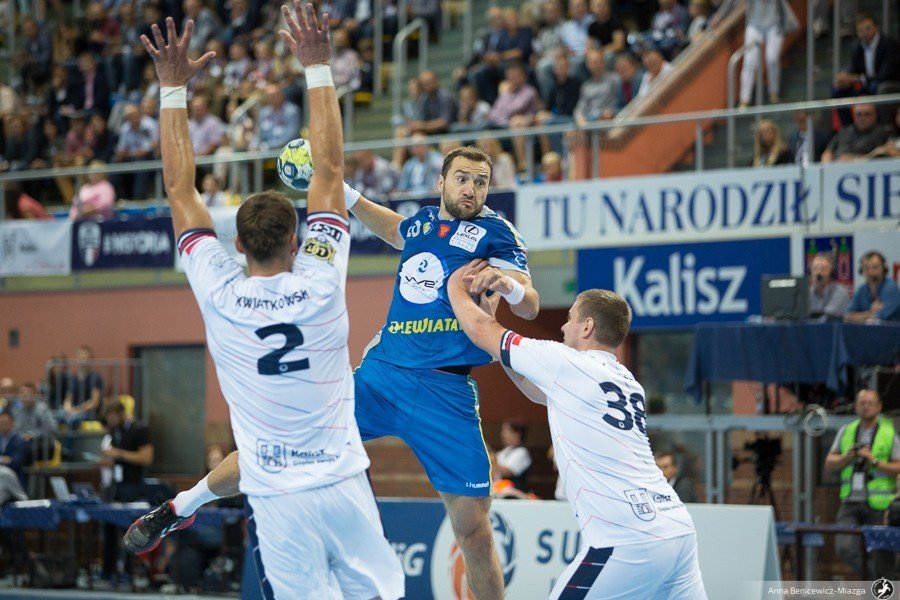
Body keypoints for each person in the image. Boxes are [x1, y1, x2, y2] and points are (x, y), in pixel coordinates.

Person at [126, 147, 539, 599]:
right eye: (462, 178)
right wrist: (339, 189)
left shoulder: (496, 232)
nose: (471, 189)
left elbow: (530, 304)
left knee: (475, 532)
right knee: (283, 444)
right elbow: (395, 230)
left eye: (481, 181)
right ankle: (180, 506)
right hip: (383, 377)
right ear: (441, 183)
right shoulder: (422, 223)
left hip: (448, 390)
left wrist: (508, 285)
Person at [125, 9, 405, 599]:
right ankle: (184, 504)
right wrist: (318, 67)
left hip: (276, 497)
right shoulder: (322, 279)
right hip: (341, 483)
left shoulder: (219, 293)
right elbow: (329, 170)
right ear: (298, 242)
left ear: (236, 246)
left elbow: (179, 189)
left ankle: (183, 504)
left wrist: (171, 88)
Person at [447, 275, 706, 598]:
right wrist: (498, 340)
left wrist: (454, 284)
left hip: (627, 538)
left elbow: (479, 331)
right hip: (677, 529)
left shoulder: (567, 363)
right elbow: (536, 391)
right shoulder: (626, 381)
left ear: (586, 327)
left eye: (569, 318)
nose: (563, 326)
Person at [824, 389, 900, 578]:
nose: (866, 407)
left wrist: (874, 461)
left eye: (870, 403)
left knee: (882, 556)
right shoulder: (847, 430)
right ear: (856, 407)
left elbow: (898, 467)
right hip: (850, 502)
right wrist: (847, 457)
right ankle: (878, 580)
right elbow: (829, 463)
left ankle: (884, 584)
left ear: (879, 406)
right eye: (862, 403)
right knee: (845, 548)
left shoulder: (889, 432)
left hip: (880, 506)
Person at [711, 0, 798, 106]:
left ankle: (773, 92)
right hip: (754, 24)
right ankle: (744, 99)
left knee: (772, 59)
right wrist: (720, 16)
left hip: (774, 22)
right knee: (749, 62)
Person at [844, 250, 900, 322]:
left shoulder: (891, 288)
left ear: (883, 268)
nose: (870, 272)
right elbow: (847, 316)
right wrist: (870, 312)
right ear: (862, 270)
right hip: (867, 329)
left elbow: (878, 317)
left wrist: (860, 316)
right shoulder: (861, 290)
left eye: (875, 267)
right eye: (866, 268)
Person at [61, 345, 105, 429]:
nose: (82, 360)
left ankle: (70, 438)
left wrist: (77, 410)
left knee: (72, 420)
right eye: (80, 357)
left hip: (90, 413)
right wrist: (68, 409)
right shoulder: (73, 378)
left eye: (85, 357)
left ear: (91, 359)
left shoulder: (96, 378)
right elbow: (68, 399)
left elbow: (94, 402)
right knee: (56, 416)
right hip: (73, 411)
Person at [808, 253, 851, 320]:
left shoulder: (840, 292)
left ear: (831, 273)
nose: (818, 272)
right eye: (815, 268)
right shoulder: (808, 293)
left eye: (823, 269)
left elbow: (828, 317)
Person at [493, 420, 532, 492]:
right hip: (499, 490)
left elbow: (507, 472)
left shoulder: (522, 452)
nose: (502, 435)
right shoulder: (504, 451)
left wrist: (490, 461)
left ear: (517, 434)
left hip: (514, 494)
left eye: (506, 431)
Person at [0, 411, 30, 488]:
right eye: (1, 422)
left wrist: (3, 460)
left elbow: (16, 462)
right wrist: (5, 459)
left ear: (12, 423)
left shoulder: (20, 441)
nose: (3, 425)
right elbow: (9, 460)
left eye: (6, 422)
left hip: (16, 481)